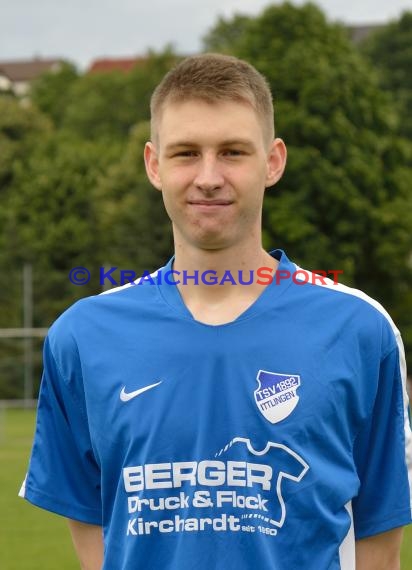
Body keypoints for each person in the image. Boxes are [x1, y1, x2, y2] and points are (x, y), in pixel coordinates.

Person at [20, 53, 411, 570]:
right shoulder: (82, 336)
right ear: (154, 164)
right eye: (185, 153)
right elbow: (91, 520)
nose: (208, 177)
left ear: (272, 161)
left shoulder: (359, 329)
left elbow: (380, 534)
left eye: (232, 152)